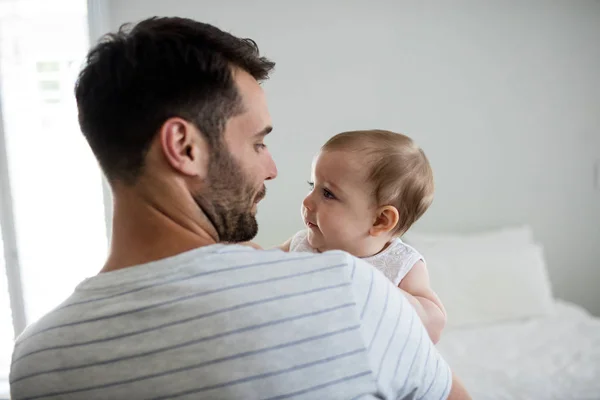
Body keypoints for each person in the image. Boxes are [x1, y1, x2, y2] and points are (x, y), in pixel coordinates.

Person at [9, 17, 470, 399]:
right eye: (257, 143)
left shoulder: (36, 361)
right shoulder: (348, 291)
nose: (271, 169)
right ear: (184, 147)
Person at [280, 130, 447, 343]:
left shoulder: (399, 264)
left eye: (328, 194)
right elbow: (253, 268)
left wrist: (373, 287)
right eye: (312, 186)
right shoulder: (300, 246)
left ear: (380, 220)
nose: (307, 201)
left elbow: (433, 325)